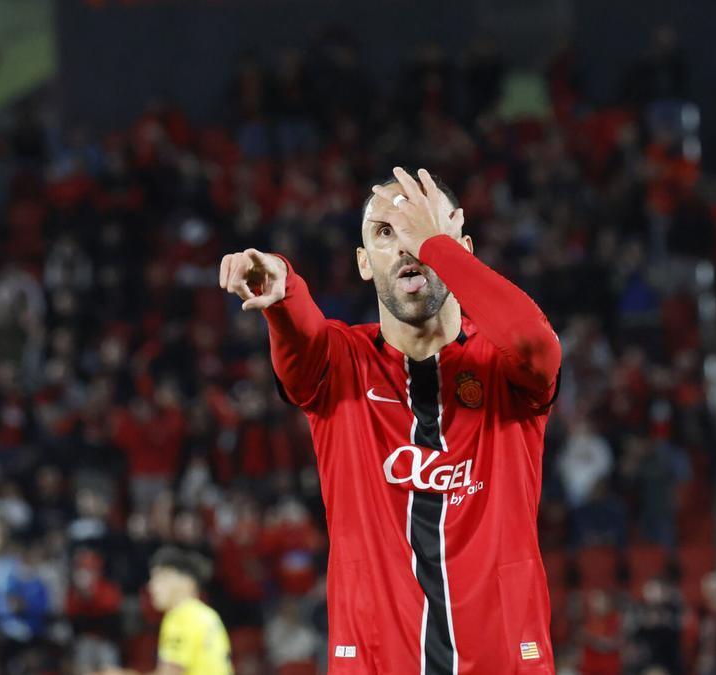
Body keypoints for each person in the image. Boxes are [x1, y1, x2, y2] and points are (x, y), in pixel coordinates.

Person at [218, 166, 562, 672]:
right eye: (386, 232)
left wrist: (436, 246)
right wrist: (284, 287)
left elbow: (537, 342)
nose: (407, 246)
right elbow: (302, 339)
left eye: (420, 227)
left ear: (461, 247)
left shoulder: (503, 364)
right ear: (362, 263)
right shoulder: (341, 364)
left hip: (503, 658)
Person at [97, 547, 231, 675]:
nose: (151, 586)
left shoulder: (181, 616)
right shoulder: (208, 615)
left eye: (160, 577)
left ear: (185, 582)